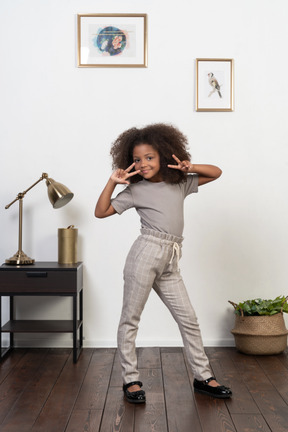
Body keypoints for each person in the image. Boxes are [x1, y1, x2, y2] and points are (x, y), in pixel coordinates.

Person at [95, 123, 232, 403]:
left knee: (189, 319)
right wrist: (112, 181)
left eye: (149, 157)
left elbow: (216, 172)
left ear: (164, 156)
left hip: (171, 259)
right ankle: (131, 380)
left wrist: (188, 167)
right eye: (136, 159)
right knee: (131, 318)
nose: (143, 164)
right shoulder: (136, 190)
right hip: (145, 253)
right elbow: (101, 212)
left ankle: (203, 377)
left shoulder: (180, 183)